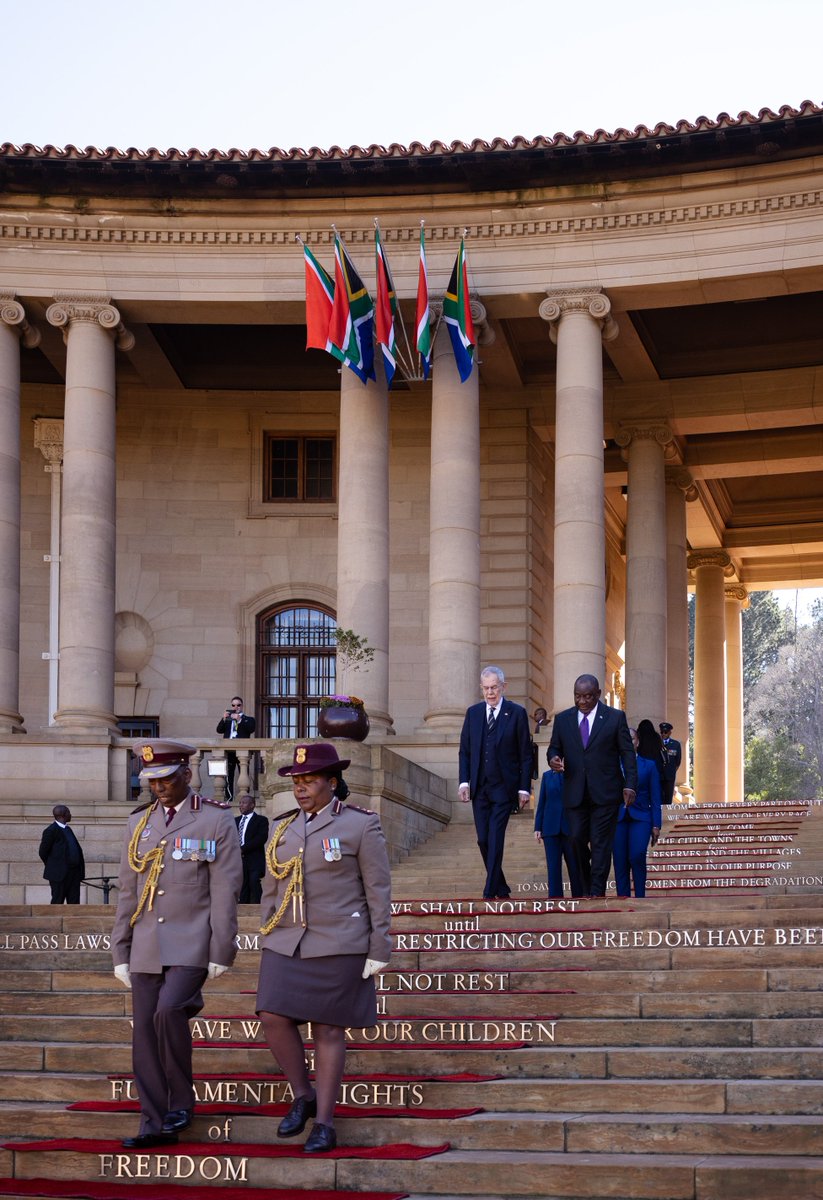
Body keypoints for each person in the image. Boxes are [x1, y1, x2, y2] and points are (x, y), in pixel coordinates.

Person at [256, 742, 392, 1154]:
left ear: (332, 783)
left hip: (340, 941)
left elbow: (378, 889)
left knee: (328, 1029)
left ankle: (325, 1122)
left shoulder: (360, 825)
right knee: (271, 1013)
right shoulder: (281, 826)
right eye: (296, 782)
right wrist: (267, 929)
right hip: (286, 939)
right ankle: (303, 1094)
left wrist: (379, 945)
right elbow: (271, 887)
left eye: (309, 781)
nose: (301, 789)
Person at [111, 739, 242, 1149]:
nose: (159, 788)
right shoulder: (139, 824)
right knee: (143, 1037)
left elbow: (225, 889)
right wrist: (120, 950)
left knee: (169, 1011)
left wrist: (223, 946)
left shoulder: (216, 820)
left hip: (192, 940)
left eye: (167, 779)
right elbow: (128, 892)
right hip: (146, 943)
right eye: (152, 781)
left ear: (187, 774)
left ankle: (181, 1102)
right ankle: (153, 1122)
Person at [547, 674, 637, 898]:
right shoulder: (563, 719)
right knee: (576, 839)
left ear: (598, 694)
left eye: (587, 696)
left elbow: (627, 754)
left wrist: (630, 785)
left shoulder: (615, 718)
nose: (582, 701)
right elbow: (553, 747)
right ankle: (586, 884)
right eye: (578, 696)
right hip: (575, 792)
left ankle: (596, 892)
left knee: (600, 844)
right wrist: (553, 759)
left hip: (605, 793)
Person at [458, 665, 532, 899]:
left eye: (494, 688)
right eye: (486, 688)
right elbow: (465, 751)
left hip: (504, 788)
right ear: (482, 689)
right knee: (483, 839)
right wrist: (463, 782)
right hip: (480, 787)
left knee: (495, 837)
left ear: (503, 687)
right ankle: (501, 886)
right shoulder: (473, 713)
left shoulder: (517, 713)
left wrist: (524, 788)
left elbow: (525, 754)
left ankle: (490, 890)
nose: (490, 693)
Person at [613, 725, 662, 898]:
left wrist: (656, 824)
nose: (628, 741)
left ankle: (640, 897)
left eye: (632, 738)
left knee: (637, 855)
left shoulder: (649, 766)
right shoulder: (612, 765)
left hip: (641, 817)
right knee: (620, 861)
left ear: (638, 742)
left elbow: (656, 798)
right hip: (617, 818)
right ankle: (623, 899)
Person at [533, 769, 584, 898]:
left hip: (571, 828)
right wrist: (538, 827)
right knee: (553, 868)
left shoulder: (575, 773)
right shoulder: (547, 776)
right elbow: (542, 802)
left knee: (574, 867)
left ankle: (578, 898)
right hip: (550, 828)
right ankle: (555, 900)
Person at [38, 805, 85, 904]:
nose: (70, 815)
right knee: (57, 902)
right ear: (63, 815)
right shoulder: (51, 830)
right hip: (59, 875)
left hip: (74, 873)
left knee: (74, 903)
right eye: (68, 812)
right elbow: (43, 852)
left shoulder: (68, 829)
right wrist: (54, 865)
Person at [216, 696, 256, 801]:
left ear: (242, 706)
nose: (236, 707)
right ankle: (229, 797)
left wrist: (240, 720)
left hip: (242, 751)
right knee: (229, 774)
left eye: (238, 705)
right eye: (233, 705)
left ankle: (245, 798)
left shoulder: (248, 719)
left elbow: (251, 729)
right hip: (229, 750)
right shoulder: (228, 720)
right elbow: (219, 730)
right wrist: (223, 719)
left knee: (243, 773)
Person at [235, 792, 269, 904]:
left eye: (244, 803)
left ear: (252, 805)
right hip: (239, 859)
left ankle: (259, 907)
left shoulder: (261, 820)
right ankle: (243, 909)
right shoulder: (234, 821)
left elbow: (261, 838)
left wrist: (243, 848)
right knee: (242, 884)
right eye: (240, 803)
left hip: (254, 858)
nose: (241, 805)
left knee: (254, 881)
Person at [659, 720, 683, 805]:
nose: (663, 734)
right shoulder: (657, 744)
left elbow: (678, 761)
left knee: (668, 798)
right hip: (659, 775)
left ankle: (666, 817)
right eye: (662, 732)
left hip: (670, 775)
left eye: (665, 732)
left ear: (669, 733)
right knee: (659, 797)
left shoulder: (675, 744)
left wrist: (671, 771)